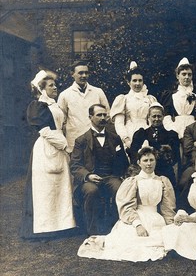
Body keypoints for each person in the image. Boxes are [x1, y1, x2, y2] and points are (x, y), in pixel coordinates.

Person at [77, 145, 176, 262]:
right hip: (136, 218)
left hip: (156, 220)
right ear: (139, 163)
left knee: (165, 240)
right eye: (145, 160)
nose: (148, 164)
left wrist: (171, 226)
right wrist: (138, 225)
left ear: (155, 161)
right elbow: (126, 207)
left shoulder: (163, 181)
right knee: (129, 243)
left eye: (151, 160)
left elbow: (168, 207)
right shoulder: (133, 181)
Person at [21, 70, 76, 239]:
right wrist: (65, 146)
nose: (55, 87)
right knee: (45, 189)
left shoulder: (54, 105)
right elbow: (45, 131)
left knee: (60, 187)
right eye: (51, 85)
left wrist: (64, 145)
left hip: (58, 147)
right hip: (47, 148)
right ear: (42, 89)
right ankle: (44, 228)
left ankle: (62, 225)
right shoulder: (38, 106)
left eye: (55, 84)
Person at [70, 104, 129, 235]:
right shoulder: (81, 140)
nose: (103, 118)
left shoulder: (114, 138)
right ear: (90, 117)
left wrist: (122, 175)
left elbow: (123, 161)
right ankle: (93, 233)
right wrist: (88, 176)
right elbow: (75, 165)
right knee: (91, 191)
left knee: (120, 189)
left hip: (110, 177)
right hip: (90, 180)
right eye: (99, 115)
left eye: (105, 115)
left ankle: (118, 230)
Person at [129, 102, 180, 186]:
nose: (156, 119)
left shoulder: (171, 135)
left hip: (164, 171)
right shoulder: (141, 134)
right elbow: (133, 155)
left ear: (163, 117)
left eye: (159, 116)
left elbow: (176, 157)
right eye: (154, 116)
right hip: (145, 170)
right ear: (149, 117)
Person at [110, 61, 158, 149]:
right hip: (129, 131)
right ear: (129, 82)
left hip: (147, 131)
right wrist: (126, 139)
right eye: (134, 80)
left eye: (140, 80)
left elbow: (153, 120)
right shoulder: (123, 99)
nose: (137, 83)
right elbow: (119, 123)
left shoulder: (150, 99)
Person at [160, 57, 196, 140]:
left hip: (193, 129)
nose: (187, 77)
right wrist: (173, 130)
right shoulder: (171, 95)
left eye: (189, 74)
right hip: (176, 129)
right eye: (184, 74)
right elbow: (166, 116)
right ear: (177, 76)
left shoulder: (195, 95)